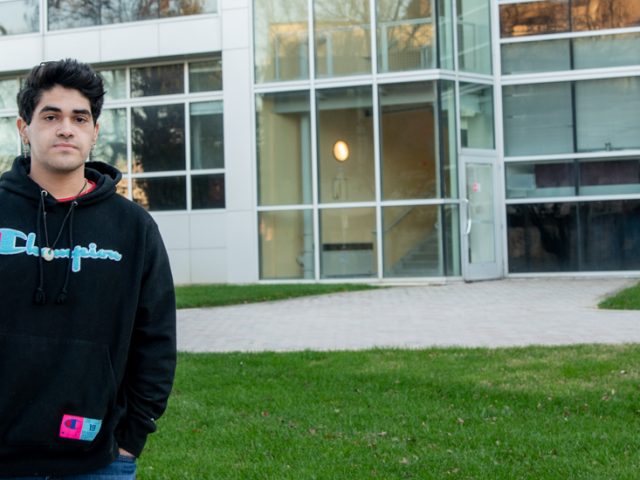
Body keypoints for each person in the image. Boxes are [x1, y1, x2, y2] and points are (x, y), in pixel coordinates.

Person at [0, 59, 176, 478]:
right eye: (51, 116)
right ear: (25, 128)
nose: (65, 128)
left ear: (94, 132)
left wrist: (131, 438)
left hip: (98, 459)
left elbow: (156, 341)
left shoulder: (133, 228)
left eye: (79, 117)